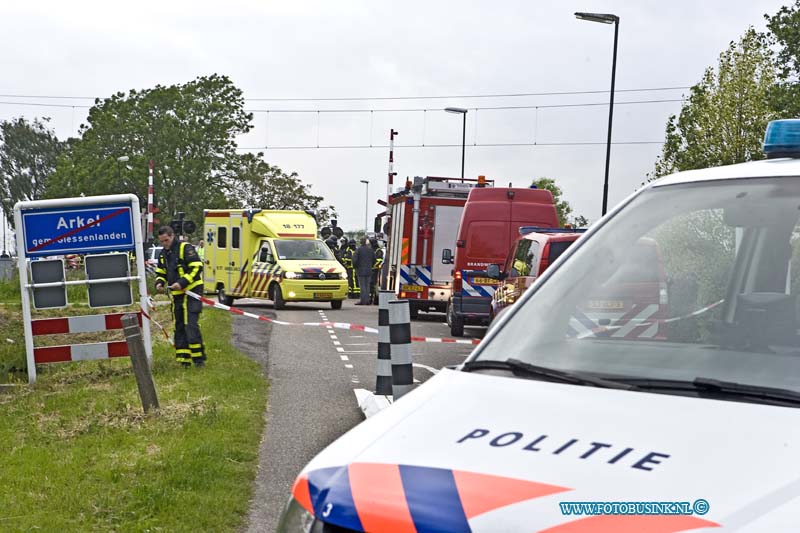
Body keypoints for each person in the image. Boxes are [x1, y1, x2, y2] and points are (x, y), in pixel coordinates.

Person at [154, 225, 206, 368]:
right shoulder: (163, 254)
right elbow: (161, 272)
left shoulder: (185, 248)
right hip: (177, 295)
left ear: (172, 236)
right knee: (179, 325)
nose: (164, 244)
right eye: (162, 241)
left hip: (192, 291)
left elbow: (197, 267)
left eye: (166, 240)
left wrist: (182, 283)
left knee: (191, 324)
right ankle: (184, 360)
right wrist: (159, 284)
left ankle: (198, 359)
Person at [352, 236, 375, 305]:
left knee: (362, 286)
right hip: (368, 270)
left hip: (360, 270)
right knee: (367, 286)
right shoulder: (370, 250)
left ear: (360, 242)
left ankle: (363, 301)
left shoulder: (358, 250)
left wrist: (355, 267)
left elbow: (354, 260)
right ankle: (367, 300)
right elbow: (374, 259)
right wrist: (370, 266)